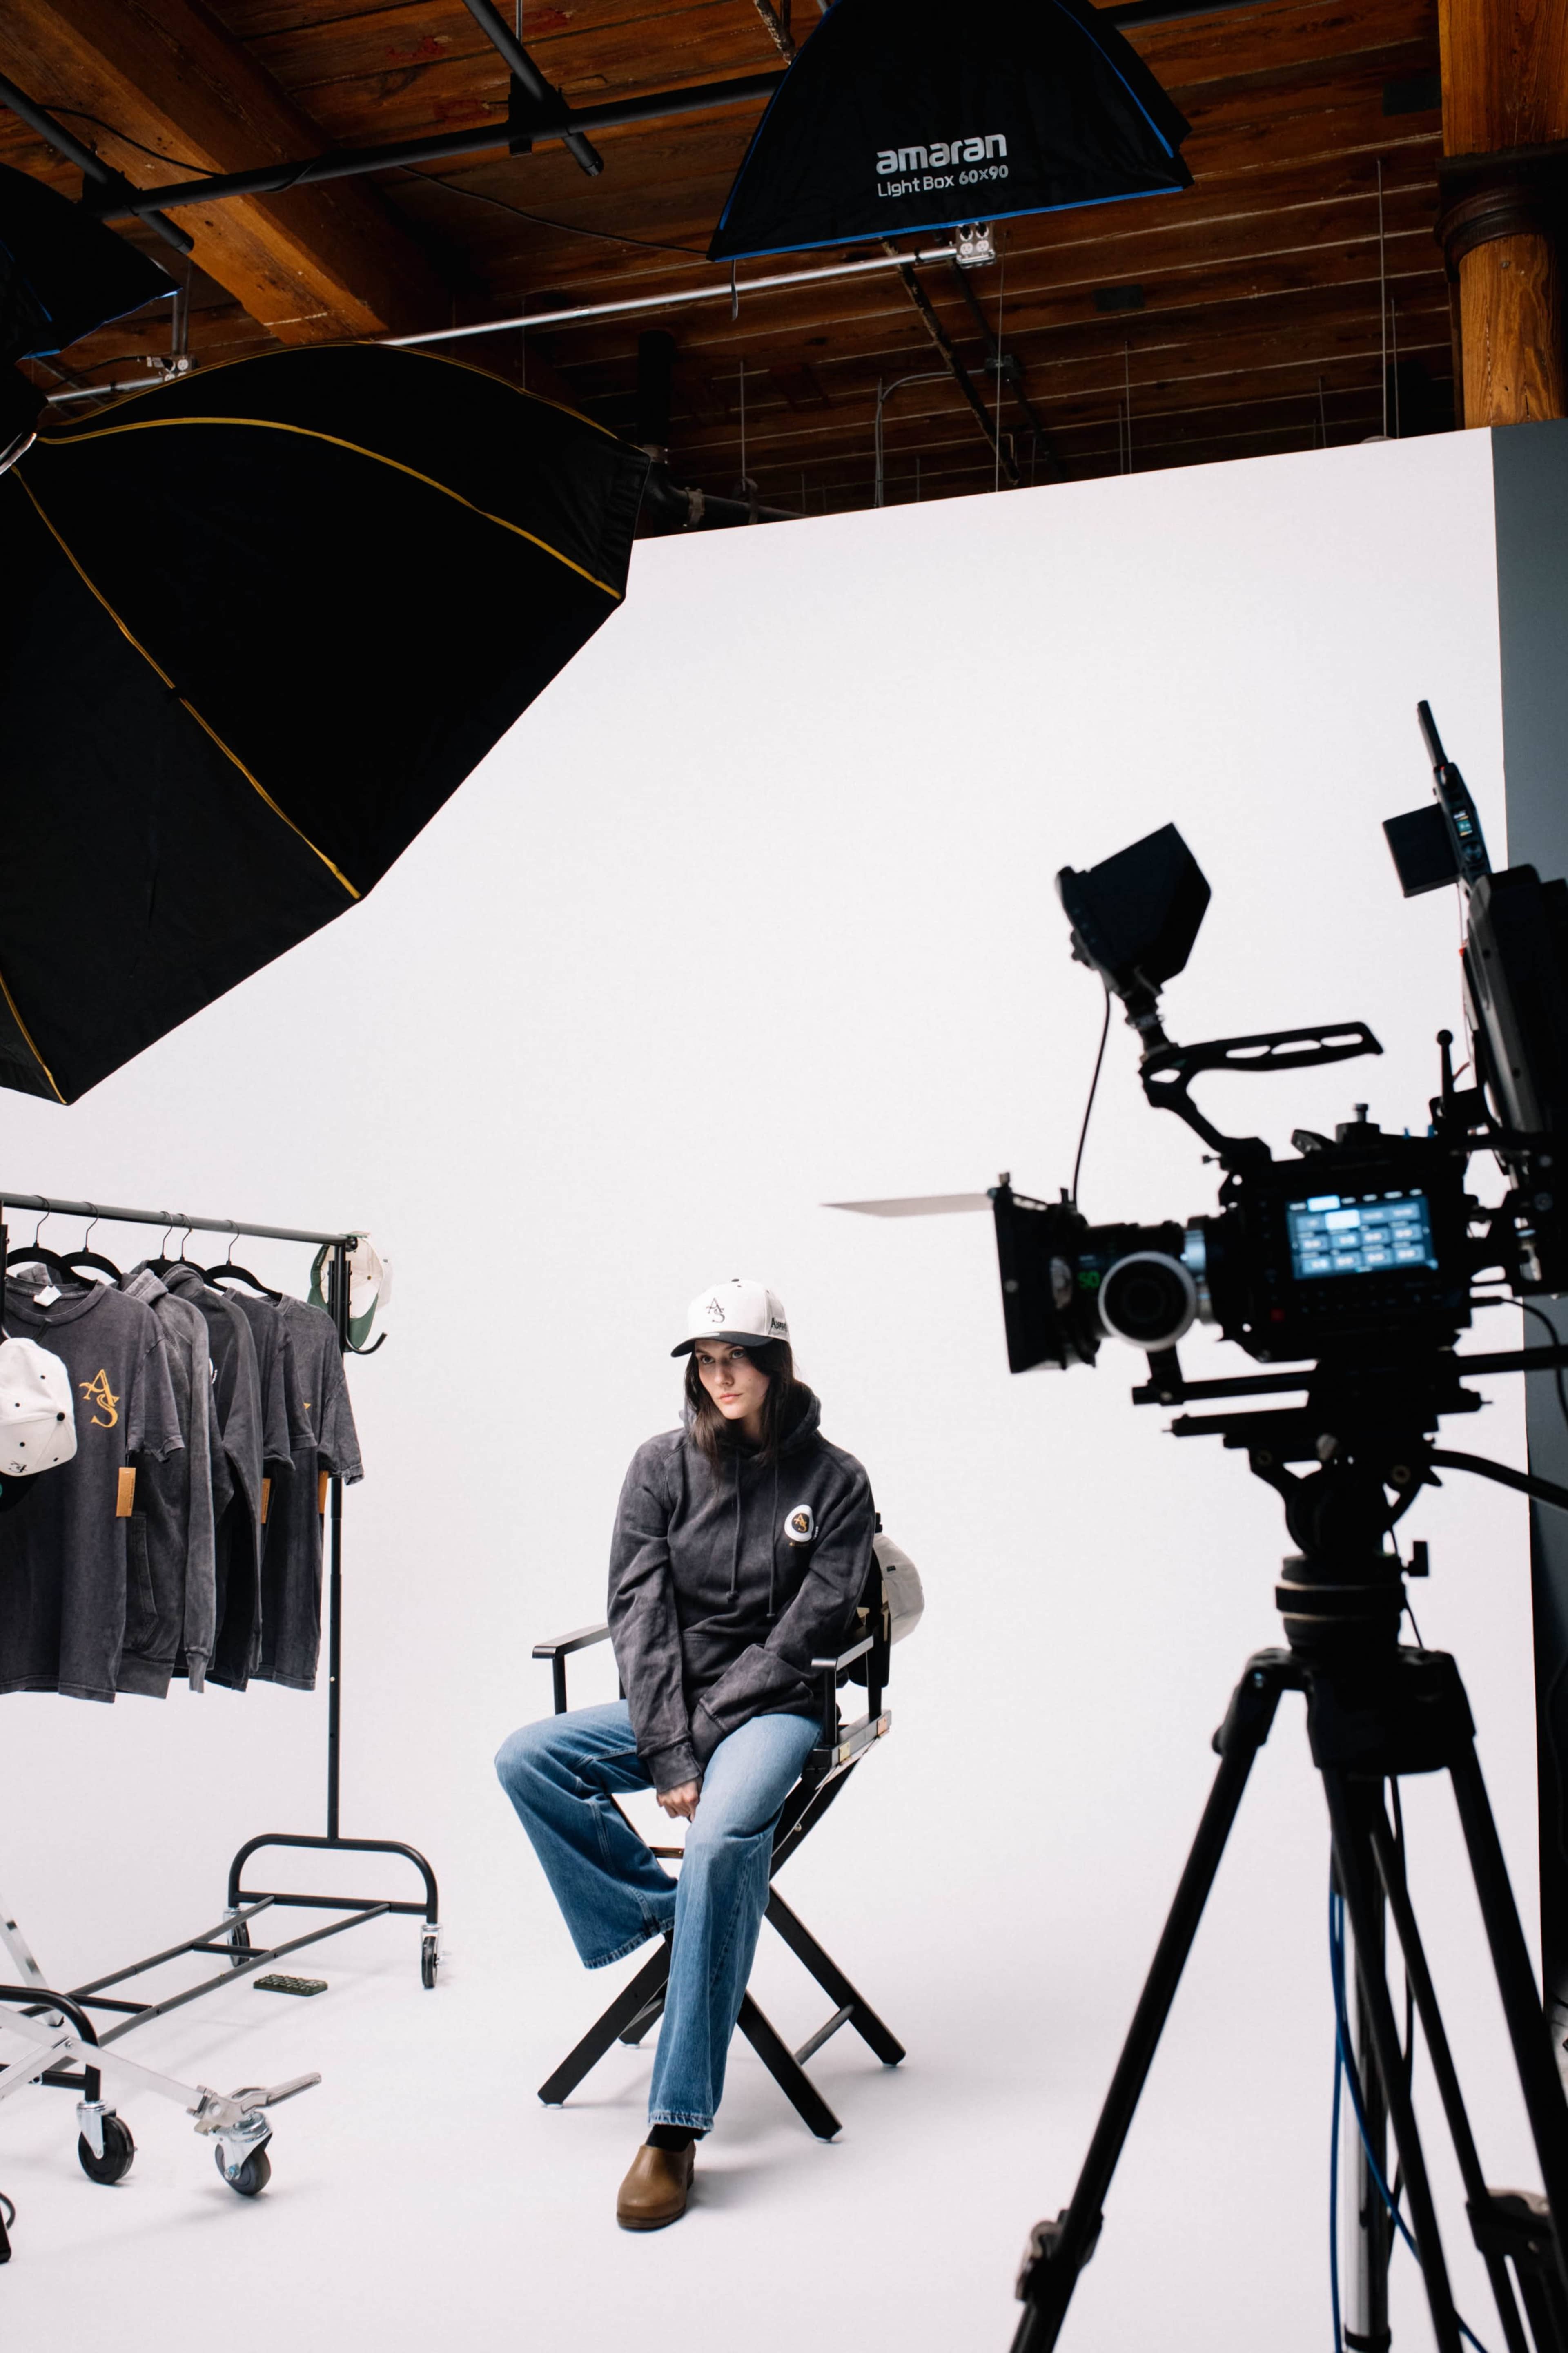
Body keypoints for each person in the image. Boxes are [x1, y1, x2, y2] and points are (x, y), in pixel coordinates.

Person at [495, 1277, 875, 2229]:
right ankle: (672, 1929)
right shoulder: (659, 1466)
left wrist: (694, 1743)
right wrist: (668, 1746)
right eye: (707, 1361)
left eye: (737, 1357)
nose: (721, 1377)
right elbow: (638, 1610)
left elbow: (806, 1634)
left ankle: (675, 2128)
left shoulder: (837, 1480)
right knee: (528, 1758)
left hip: (779, 1710)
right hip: (672, 1707)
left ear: (776, 1361)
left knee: (717, 1844)